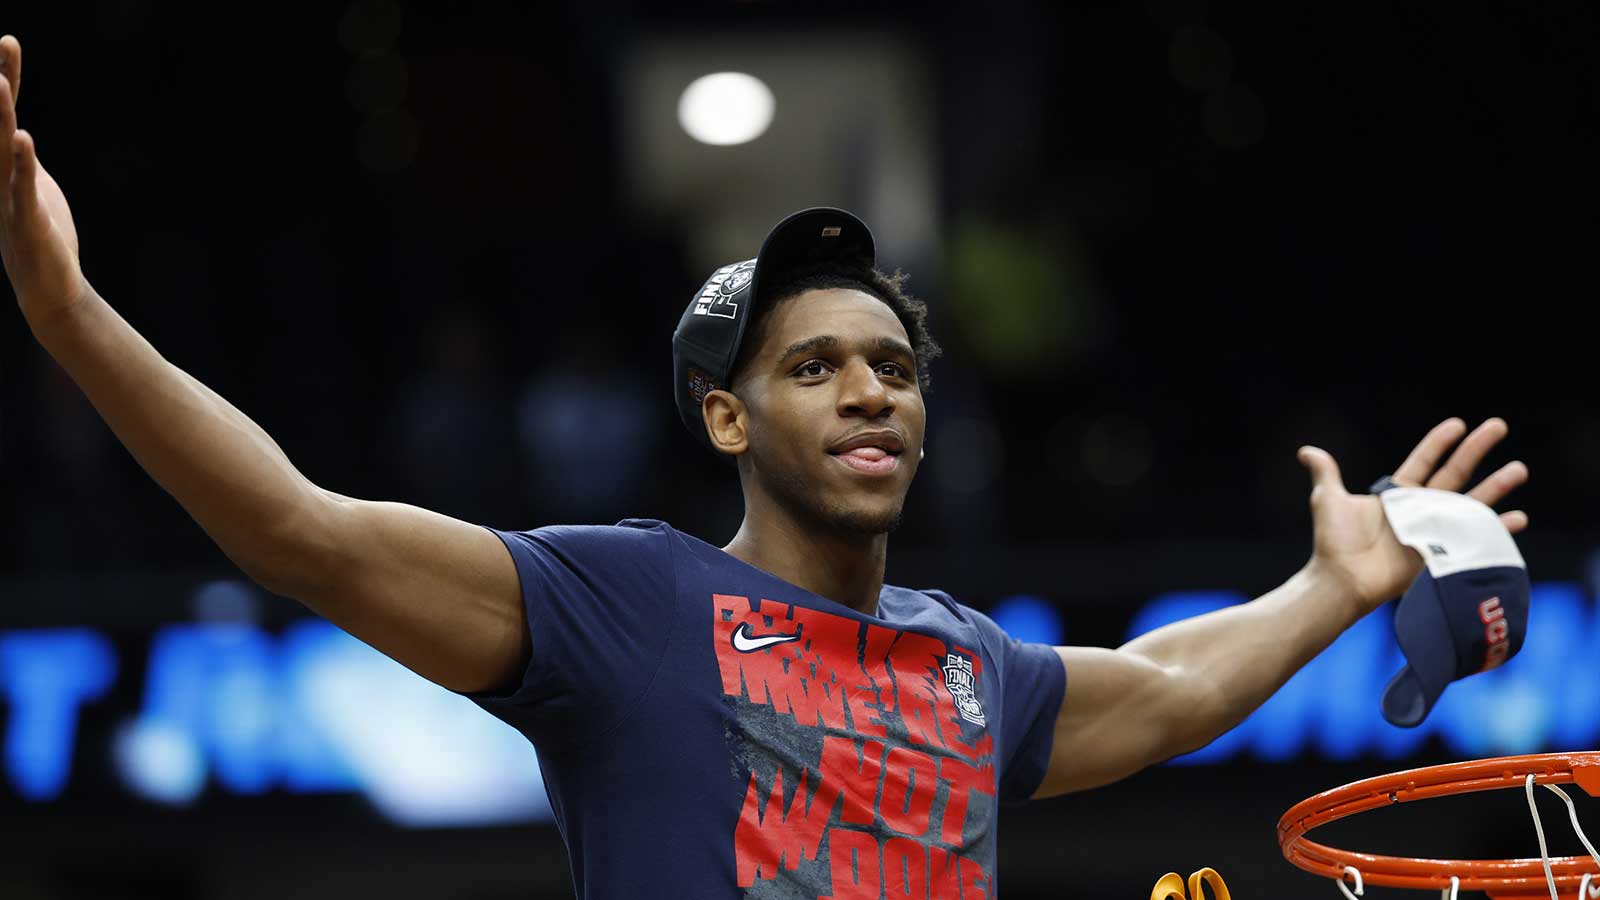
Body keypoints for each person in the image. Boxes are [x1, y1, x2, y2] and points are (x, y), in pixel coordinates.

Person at [0, 35, 1532, 900]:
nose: (869, 391)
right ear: (727, 421)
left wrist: (1335, 584)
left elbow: (1175, 686)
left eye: (893, 366)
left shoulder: (966, 667)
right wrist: (67, 313)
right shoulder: (617, 602)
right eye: (814, 366)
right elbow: (293, 528)